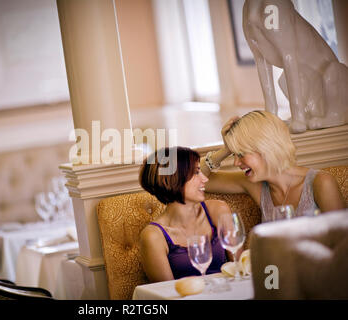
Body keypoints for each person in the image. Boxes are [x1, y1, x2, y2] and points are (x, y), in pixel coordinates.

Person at [200, 110, 346, 222]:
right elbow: (192, 178)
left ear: (265, 147)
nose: (236, 163)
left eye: (241, 154)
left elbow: (343, 245)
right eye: (234, 154)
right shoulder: (255, 185)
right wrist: (226, 149)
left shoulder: (320, 183)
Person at [139, 146, 230, 283]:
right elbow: (165, 294)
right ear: (171, 179)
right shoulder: (153, 236)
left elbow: (241, 271)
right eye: (196, 172)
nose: (204, 179)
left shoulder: (218, 210)